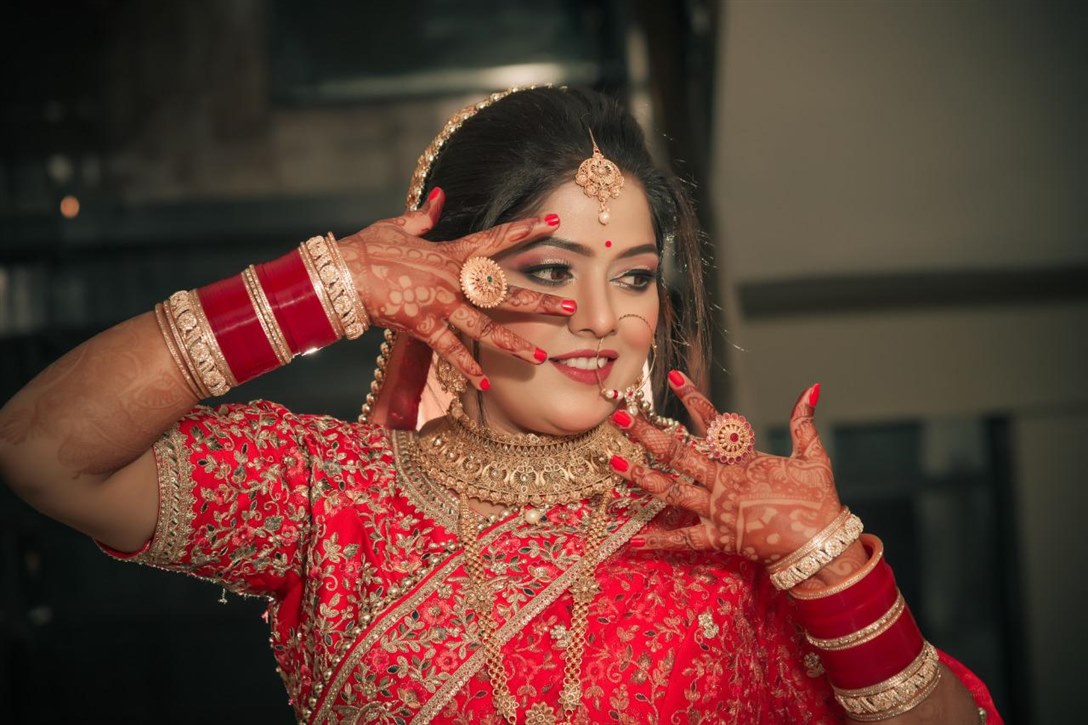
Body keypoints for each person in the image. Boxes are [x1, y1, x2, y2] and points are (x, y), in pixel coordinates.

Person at [0, 86, 999, 724]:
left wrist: (830, 562)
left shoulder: (716, 524)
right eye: (551, 268)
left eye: (635, 276)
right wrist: (335, 282)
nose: (603, 317)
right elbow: (44, 448)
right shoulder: (330, 495)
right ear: (451, 281)